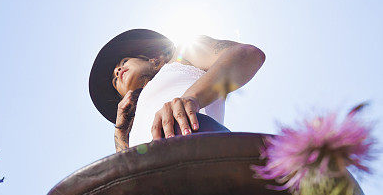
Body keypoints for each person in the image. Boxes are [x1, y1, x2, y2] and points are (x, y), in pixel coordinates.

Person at [88, 28, 265, 152]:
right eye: (114, 80)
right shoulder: (133, 127)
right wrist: (120, 131)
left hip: (197, 148)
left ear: (152, 60)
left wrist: (191, 98)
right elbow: (123, 176)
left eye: (124, 61)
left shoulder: (183, 55)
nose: (117, 71)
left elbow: (247, 55)